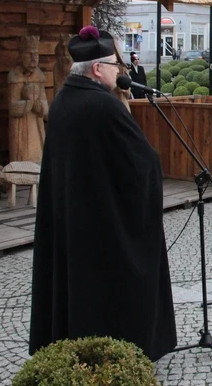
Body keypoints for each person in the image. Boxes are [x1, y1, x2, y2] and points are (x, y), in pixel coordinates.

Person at [30, 26, 176, 362]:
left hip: (73, 222)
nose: (119, 70)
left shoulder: (63, 101)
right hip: (102, 228)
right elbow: (145, 164)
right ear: (97, 68)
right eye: (115, 64)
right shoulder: (103, 107)